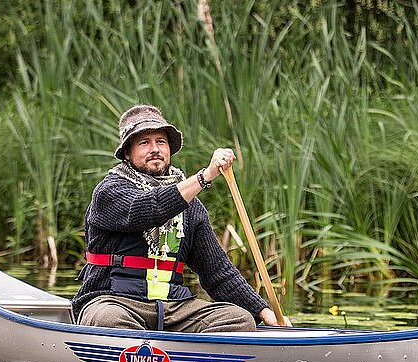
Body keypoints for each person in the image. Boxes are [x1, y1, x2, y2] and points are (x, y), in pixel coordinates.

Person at [73, 104, 284, 332]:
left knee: (239, 319)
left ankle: (177, 354)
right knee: (110, 320)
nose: (155, 149)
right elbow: (149, 208)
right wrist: (205, 176)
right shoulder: (109, 191)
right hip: (113, 300)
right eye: (144, 143)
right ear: (127, 153)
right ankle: (142, 349)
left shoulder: (190, 206)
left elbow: (217, 272)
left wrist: (264, 312)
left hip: (173, 307)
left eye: (161, 142)